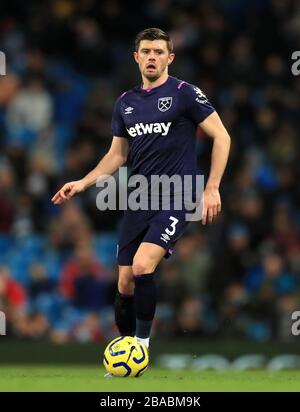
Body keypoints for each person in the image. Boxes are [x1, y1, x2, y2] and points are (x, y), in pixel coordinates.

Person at [52, 28, 231, 356]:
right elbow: (116, 156)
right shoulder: (126, 102)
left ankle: (142, 347)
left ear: (169, 58)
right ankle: (125, 347)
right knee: (124, 283)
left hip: (179, 194)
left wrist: (212, 187)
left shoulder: (185, 94)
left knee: (142, 265)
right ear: (136, 57)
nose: (152, 57)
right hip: (140, 197)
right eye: (146, 51)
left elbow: (222, 137)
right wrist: (82, 182)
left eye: (159, 52)